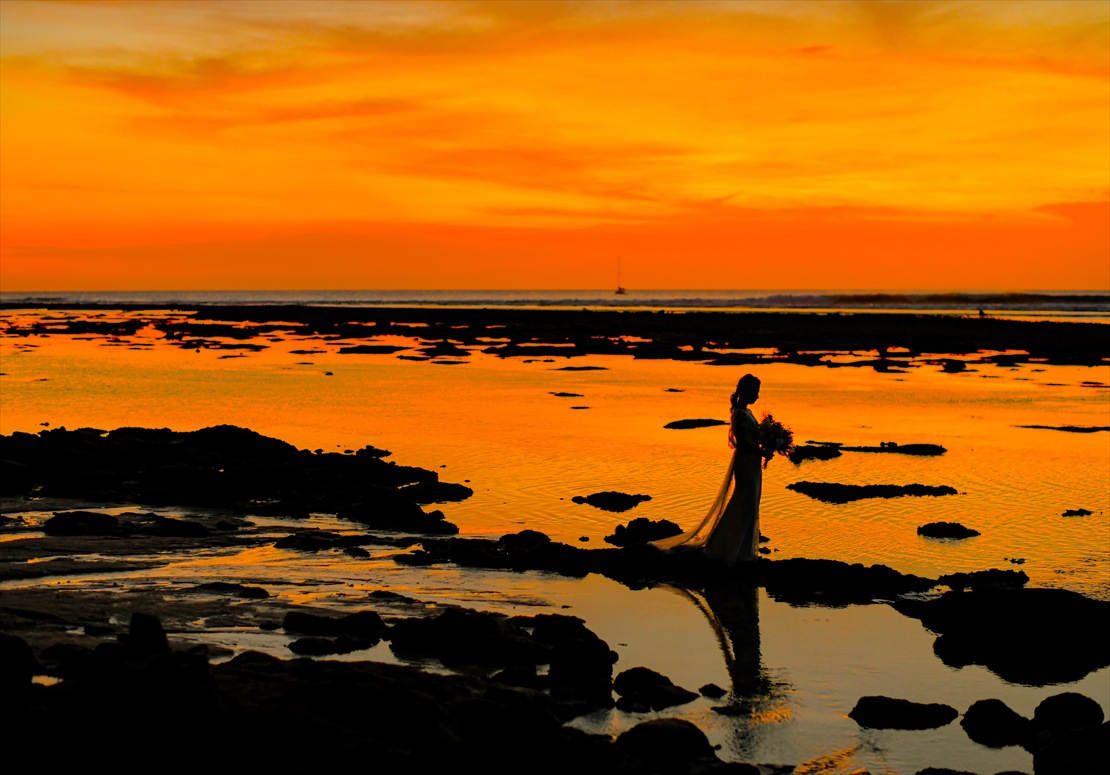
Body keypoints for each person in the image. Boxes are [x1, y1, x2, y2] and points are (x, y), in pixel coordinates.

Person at [651, 373, 763, 566]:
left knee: (750, 503)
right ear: (747, 391)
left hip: (752, 464)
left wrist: (766, 443)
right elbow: (741, 443)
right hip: (745, 463)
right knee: (744, 501)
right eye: (756, 392)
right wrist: (762, 450)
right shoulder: (739, 413)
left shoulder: (748, 413)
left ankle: (742, 549)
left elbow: (754, 437)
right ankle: (727, 548)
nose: (758, 396)